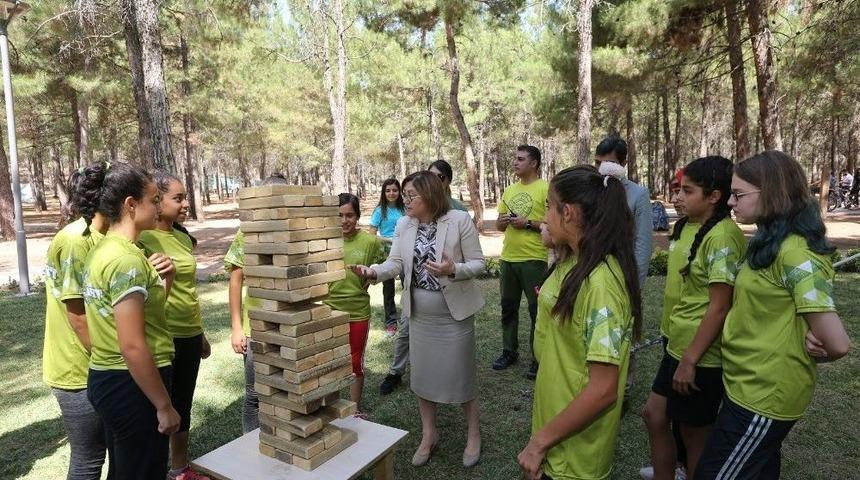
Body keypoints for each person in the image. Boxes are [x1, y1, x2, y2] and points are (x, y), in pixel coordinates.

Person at [695, 151, 850, 479]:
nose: (730, 203)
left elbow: (837, 344)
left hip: (764, 396)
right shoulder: (769, 242)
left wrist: (815, 349)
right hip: (745, 386)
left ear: (773, 193)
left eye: (738, 195)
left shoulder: (795, 255)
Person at [353, 171, 486, 468]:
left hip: (454, 315)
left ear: (430, 195)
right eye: (405, 194)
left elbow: (478, 263)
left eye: (412, 195)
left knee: (462, 376)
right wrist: (373, 272)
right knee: (422, 377)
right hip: (420, 316)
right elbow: (396, 263)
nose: (406, 200)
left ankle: (473, 434)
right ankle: (429, 435)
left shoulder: (459, 220)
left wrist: (454, 269)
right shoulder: (404, 223)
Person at [517, 165, 641, 480]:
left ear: (568, 213)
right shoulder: (574, 259)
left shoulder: (601, 284)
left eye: (548, 207)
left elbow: (603, 390)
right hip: (556, 425)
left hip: (573, 454)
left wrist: (539, 443)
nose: (544, 216)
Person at [643, 157, 746, 480]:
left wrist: (690, 360)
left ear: (714, 196)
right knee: (654, 415)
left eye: (687, 191)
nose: (678, 197)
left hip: (700, 356)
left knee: (693, 436)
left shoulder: (723, 237)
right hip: (679, 343)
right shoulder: (690, 228)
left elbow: (719, 306)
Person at [82, 162, 180, 479]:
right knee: (142, 471)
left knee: (125, 468)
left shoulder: (106, 250)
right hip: (131, 384)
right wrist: (164, 405)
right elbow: (133, 345)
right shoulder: (126, 260)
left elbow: (141, 318)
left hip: (109, 378)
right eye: (153, 199)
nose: (158, 206)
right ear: (130, 204)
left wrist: (167, 280)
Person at [137, 171, 211, 480]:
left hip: (190, 334)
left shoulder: (182, 238)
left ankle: (179, 468)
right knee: (159, 409)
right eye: (177, 198)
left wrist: (201, 333)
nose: (184, 204)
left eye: (184, 197)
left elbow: (189, 291)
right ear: (158, 200)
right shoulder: (141, 240)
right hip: (163, 336)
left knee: (183, 402)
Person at [41, 164, 110, 479]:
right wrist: (106, 361)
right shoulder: (75, 240)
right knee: (89, 459)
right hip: (78, 370)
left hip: (98, 366)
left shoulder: (103, 235)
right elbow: (77, 312)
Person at [225, 174, 290, 433]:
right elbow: (235, 280)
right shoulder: (247, 233)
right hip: (258, 328)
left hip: (289, 325)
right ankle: (250, 445)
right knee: (254, 394)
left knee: (286, 389)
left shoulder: (295, 229)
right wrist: (237, 328)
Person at [595, 136, 653, 403]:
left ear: (624, 163)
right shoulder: (593, 189)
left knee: (624, 330)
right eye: (599, 162)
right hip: (595, 273)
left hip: (624, 274)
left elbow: (642, 242)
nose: (604, 168)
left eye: (611, 162)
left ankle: (624, 388)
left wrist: (635, 282)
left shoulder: (638, 195)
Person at [323, 193, 385, 415]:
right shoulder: (325, 241)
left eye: (349, 215)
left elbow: (387, 263)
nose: (344, 221)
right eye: (339, 215)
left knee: (355, 361)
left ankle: (355, 408)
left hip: (358, 311)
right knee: (330, 361)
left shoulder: (369, 241)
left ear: (357, 215)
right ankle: (332, 406)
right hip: (328, 310)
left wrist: (372, 276)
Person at [492, 145, 548, 379]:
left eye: (520, 159)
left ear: (534, 163)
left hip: (534, 259)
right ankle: (509, 351)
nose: (515, 163)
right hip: (508, 259)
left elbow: (550, 223)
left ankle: (538, 358)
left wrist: (526, 223)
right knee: (508, 308)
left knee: (537, 311)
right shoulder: (509, 190)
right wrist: (503, 221)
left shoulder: (546, 188)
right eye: (515, 158)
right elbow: (497, 225)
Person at [369, 178, 406, 337]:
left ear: (399, 192)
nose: (392, 193)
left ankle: (408, 319)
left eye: (395, 190)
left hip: (405, 251)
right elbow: (371, 235)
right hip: (386, 253)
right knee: (388, 289)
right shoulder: (379, 211)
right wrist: (387, 241)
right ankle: (391, 323)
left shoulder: (405, 209)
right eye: (388, 190)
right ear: (384, 193)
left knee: (408, 285)